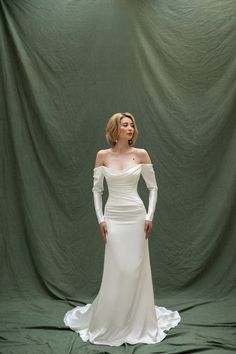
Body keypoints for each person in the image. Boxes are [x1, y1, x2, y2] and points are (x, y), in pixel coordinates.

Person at [64, 112, 181, 346]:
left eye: (132, 125)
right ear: (114, 129)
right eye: (125, 124)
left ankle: (138, 320)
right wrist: (101, 220)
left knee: (135, 269)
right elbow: (97, 190)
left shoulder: (141, 155)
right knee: (117, 268)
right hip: (113, 217)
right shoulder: (102, 156)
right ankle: (113, 320)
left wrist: (149, 216)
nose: (130, 128)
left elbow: (153, 188)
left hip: (136, 217)